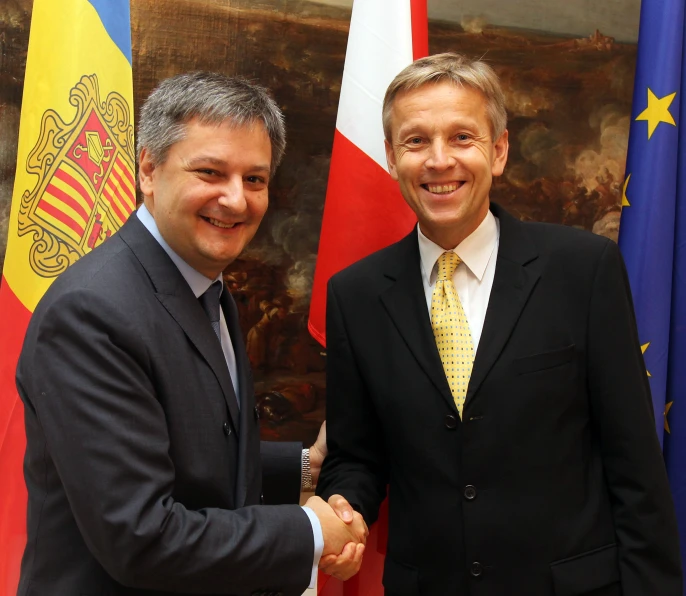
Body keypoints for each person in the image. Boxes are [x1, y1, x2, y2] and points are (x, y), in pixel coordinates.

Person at [316, 53, 682, 594]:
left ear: (500, 150)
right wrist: (346, 506)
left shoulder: (582, 270)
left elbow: (635, 464)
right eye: (416, 142)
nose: (440, 161)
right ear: (391, 158)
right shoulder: (356, 295)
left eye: (462, 137)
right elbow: (357, 453)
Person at [16, 72, 366, 596]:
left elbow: (191, 446)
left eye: (255, 179)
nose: (236, 200)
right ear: (149, 170)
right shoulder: (92, 312)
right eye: (210, 172)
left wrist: (304, 468)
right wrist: (312, 531)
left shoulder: (205, 286)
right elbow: (141, 537)